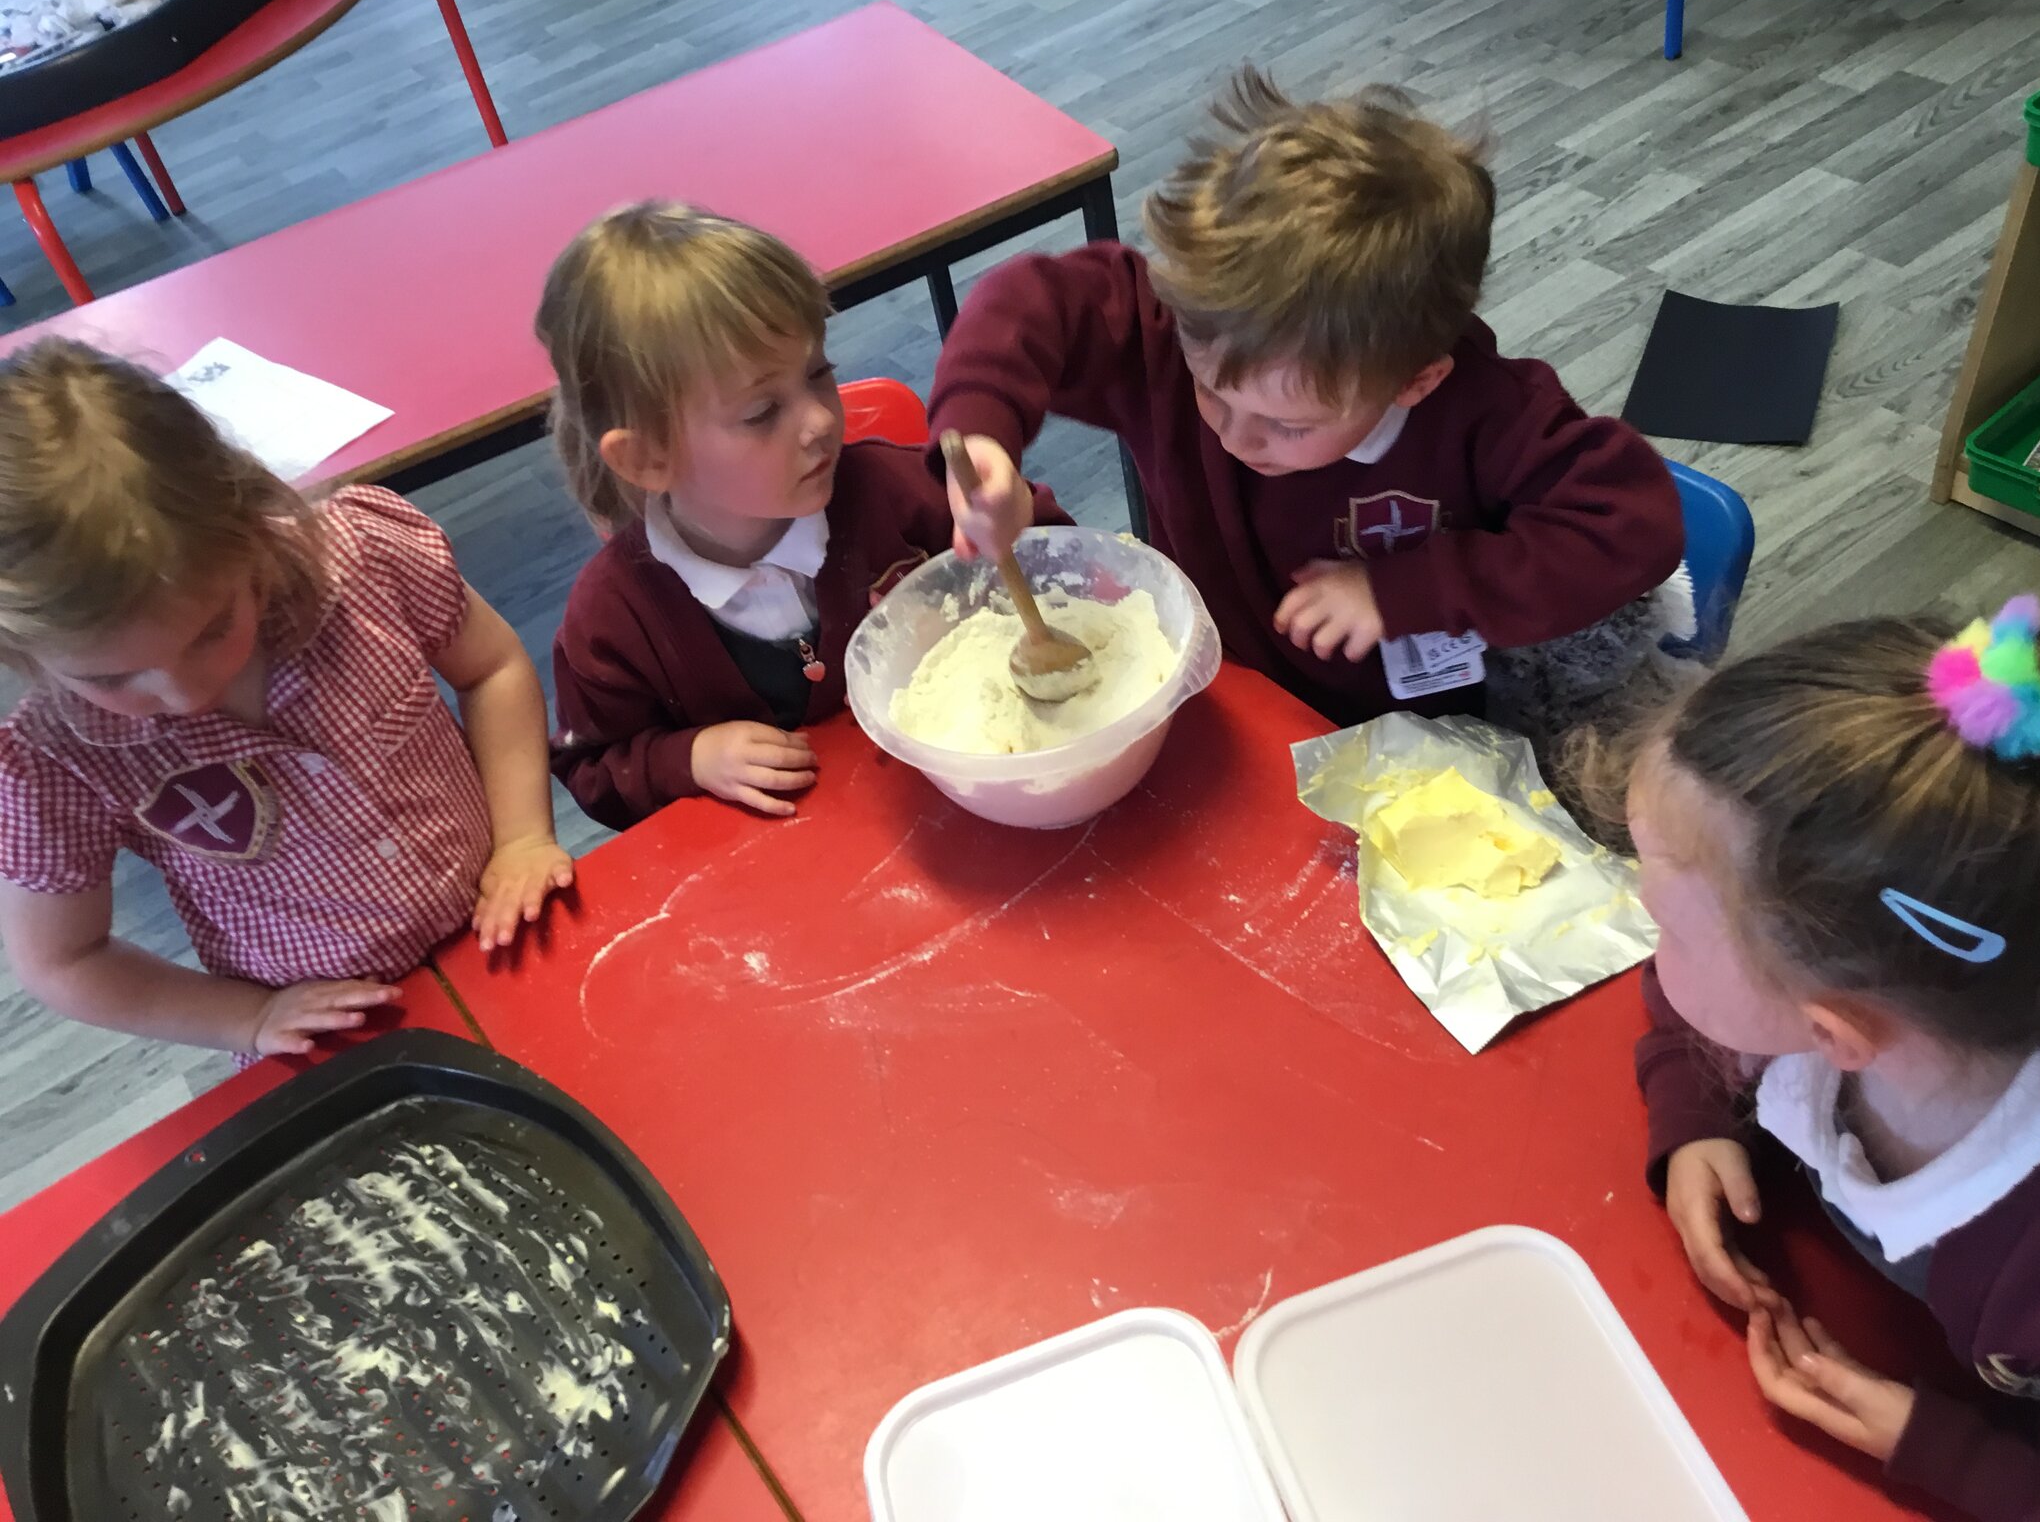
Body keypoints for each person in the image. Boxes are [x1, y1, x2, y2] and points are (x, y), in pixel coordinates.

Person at [925, 67, 1683, 731]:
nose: (1235, 437)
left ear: (1414, 382)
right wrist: (984, 437)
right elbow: (1031, 301)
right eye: (1211, 392)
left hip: (1411, 737)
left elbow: (1634, 526)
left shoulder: (1488, 414)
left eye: (1288, 425)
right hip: (1223, 694)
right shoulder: (1178, 329)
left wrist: (1406, 590)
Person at [0, 339, 571, 1058]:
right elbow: (64, 961)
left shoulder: (362, 558)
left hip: (506, 926)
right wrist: (246, 1019)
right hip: (341, 1033)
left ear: (249, 528)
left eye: (212, 630)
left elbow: (491, 669)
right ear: (23, 655)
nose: (184, 692)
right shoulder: (54, 763)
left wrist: (522, 836)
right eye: (110, 679)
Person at [1629, 598, 2040, 1519]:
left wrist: (1955, 1453)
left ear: (1835, 1036)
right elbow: (1691, 1007)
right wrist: (1693, 1113)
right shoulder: (1868, 988)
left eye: (1665, 928)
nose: (1650, 945)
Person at [539, 201, 1062, 829]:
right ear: (649, 459)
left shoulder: (891, 491)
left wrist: (1014, 518)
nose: (819, 420)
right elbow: (592, 770)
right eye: (762, 412)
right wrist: (690, 759)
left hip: (960, 811)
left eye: (818, 374)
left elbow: (1064, 566)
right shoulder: (612, 620)